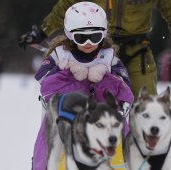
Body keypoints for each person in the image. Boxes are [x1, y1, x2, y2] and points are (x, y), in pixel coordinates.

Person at [19, 0, 171, 98]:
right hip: (94, 48)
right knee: (89, 103)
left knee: (144, 108)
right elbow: (66, 6)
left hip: (136, 52)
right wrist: (41, 32)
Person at [32, 2, 133, 170]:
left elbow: (125, 92)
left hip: (102, 118)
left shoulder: (108, 57)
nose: (88, 43)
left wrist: (103, 77)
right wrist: (69, 75)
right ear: (70, 34)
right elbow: (45, 83)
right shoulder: (61, 54)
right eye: (81, 37)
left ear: (103, 34)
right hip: (66, 116)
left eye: (94, 37)